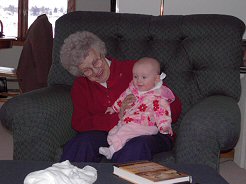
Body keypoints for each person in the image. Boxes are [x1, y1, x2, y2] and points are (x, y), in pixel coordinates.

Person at [59, 31, 182, 163]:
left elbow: (175, 108)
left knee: (135, 147)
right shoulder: (81, 86)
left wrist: (152, 109)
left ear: (101, 52)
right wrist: (118, 117)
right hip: (108, 134)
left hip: (149, 132)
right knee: (81, 144)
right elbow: (80, 123)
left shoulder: (135, 70)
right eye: (87, 70)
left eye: (96, 62)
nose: (96, 71)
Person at [99, 57, 175, 159]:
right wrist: (114, 108)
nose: (138, 81)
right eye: (135, 76)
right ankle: (116, 147)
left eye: (144, 77)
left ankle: (112, 150)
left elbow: (163, 112)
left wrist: (164, 126)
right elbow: (122, 98)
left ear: (156, 79)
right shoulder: (132, 90)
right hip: (131, 122)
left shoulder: (157, 96)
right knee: (114, 132)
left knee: (124, 132)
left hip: (145, 126)